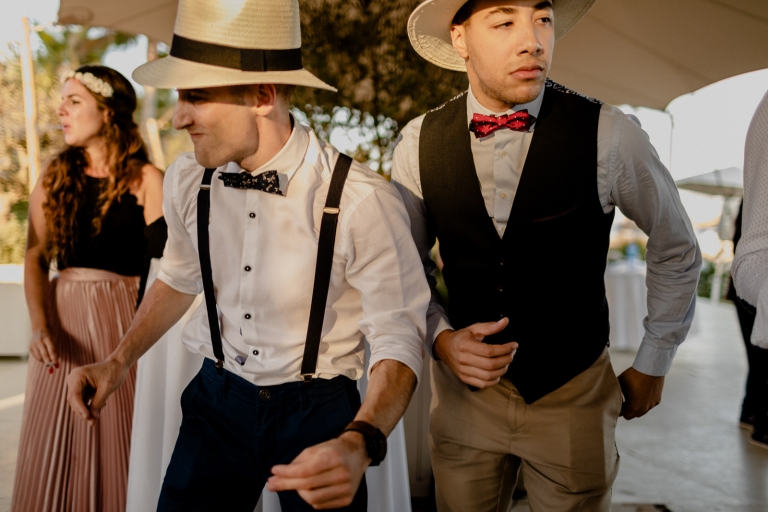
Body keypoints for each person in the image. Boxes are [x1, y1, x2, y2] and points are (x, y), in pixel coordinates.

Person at [65, 0, 430, 511]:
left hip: (321, 413)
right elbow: (178, 276)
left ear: (262, 94)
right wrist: (117, 361)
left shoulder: (362, 200)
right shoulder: (188, 180)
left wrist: (359, 440)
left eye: (195, 97)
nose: (177, 119)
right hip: (217, 402)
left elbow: (399, 335)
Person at [392, 0, 702, 510]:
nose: (533, 40)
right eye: (505, 22)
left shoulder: (610, 134)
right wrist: (440, 337)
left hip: (573, 393)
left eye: (543, 19)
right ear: (461, 39)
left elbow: (676, 244)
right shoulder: (416, 144)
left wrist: (654, 358)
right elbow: (403, 268)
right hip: (465, 402)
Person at [12, 65, 164, 512]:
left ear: (108, 111)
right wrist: (41, 328)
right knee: (57, 440)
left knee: (121, 434)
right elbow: (36, 258)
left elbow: (166, 268)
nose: (61, 109)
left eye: (74, 100)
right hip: (64, 326)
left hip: (125, 326)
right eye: (63, 100)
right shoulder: (54, 176)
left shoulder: (147, 180)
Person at [731, 89, 768, 449]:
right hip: (750, 293)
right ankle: (757, 419)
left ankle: (750, 413)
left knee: (758, 363)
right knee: (760, 361)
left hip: (747, 292)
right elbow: (752, 249)